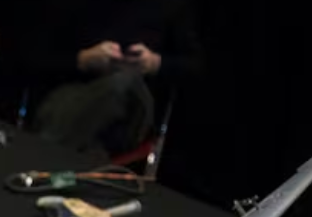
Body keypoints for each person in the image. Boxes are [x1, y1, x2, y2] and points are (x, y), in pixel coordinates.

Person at [22, 0, 202, 157]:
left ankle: (44, 156)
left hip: (134, 106)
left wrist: (155, 63)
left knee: (122, 81)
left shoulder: (172, 5)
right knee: (93, 147)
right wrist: (83, 59)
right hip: (74, 92)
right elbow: (33, 55)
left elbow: (195, 68)